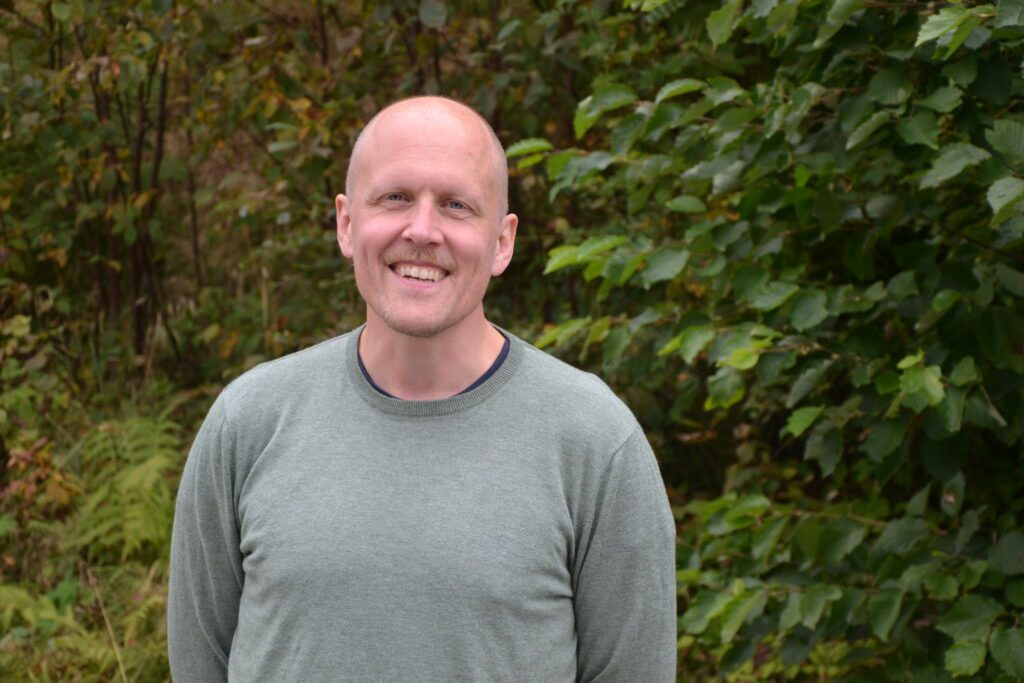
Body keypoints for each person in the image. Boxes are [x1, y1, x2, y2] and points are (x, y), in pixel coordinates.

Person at [168, 96, 677, 681]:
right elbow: (198, 664)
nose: (422, 230)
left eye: (457, 205)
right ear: (346, 223)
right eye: (395, 197)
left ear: (503, 242)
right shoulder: (247, 422)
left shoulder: (596, 442)